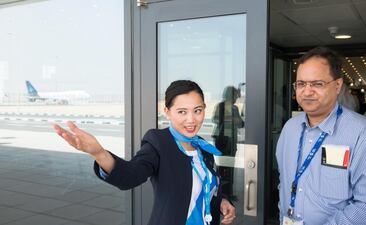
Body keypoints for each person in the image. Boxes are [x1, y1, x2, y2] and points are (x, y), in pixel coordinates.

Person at [54, 80, 236, 225]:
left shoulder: (202, 147)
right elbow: (131, 175)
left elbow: (204, 183)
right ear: (167, 112)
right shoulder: (159, 142)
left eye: (197, 111)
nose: (191, 119)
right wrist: (99, 153)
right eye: (182, 112)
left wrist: (221, 201)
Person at [276, 46, 366, 225]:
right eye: (301, 84)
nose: (307, 91)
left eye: (317, 84)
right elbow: (285, 182)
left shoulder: (363, 135)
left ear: (338, 85)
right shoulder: (290, 129)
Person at [212, 86, 244, 201]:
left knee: (231, 168)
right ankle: (221, 193)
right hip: (221, 139)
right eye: (235, 95)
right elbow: (214, 119)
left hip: (232, 140)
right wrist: (227, 118)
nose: (236, 97)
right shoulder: (220, 106)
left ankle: (229, 193)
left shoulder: (235, 108)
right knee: (221, 167)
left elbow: (241, 124)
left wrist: (235, 118)